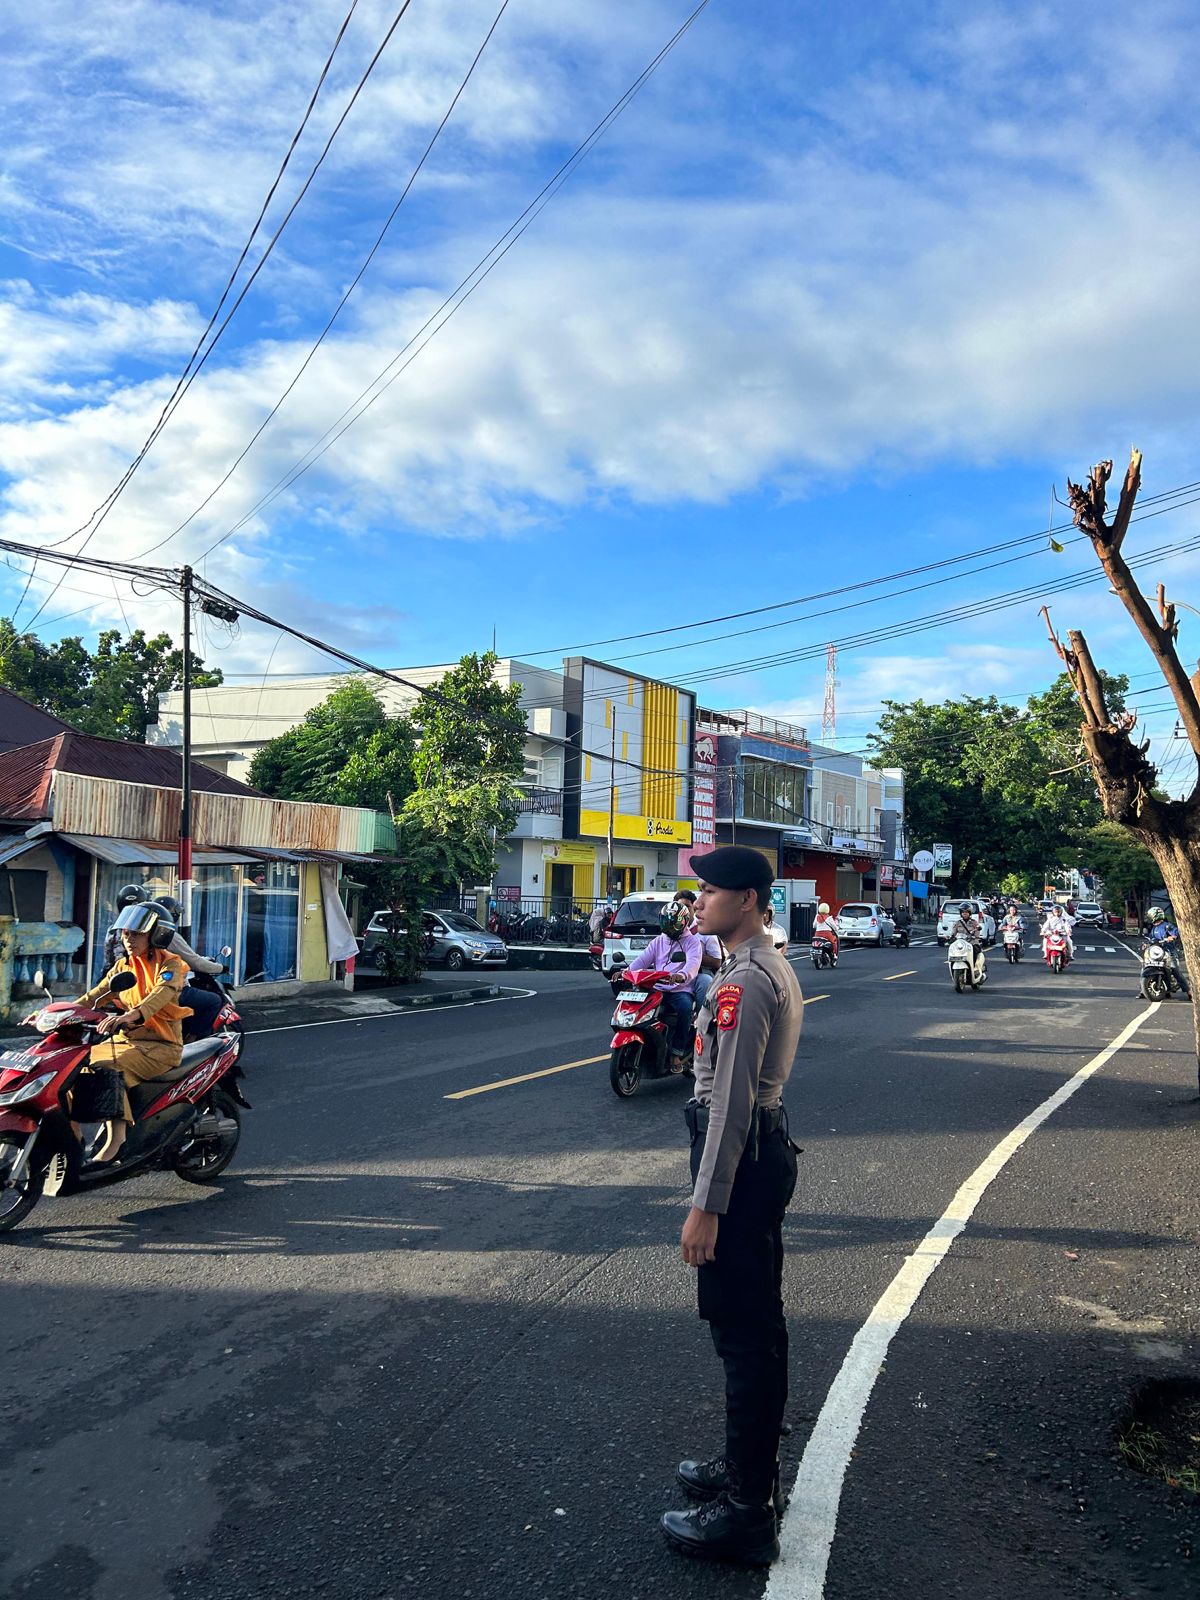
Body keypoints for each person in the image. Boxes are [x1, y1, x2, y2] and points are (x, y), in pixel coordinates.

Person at [660, 846, 803, 1568]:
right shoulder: (751, 966)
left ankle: (748, 1512)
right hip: (757, 1158)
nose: (698, 901)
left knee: (743, 1332)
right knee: (754, 1325)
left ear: (747, 899)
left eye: (710, 890)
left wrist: (705, 1204)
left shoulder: (745, 981)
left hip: (739, 1167)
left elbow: (732, 1105)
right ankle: (751, 1467)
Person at [75, 902, 192, 1163]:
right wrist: (55, 1013)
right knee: (74, 1066)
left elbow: (160, 995)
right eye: (126, 933)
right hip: (127, 1041)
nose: (128, 939)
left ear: (156, 935)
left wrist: (131, 1015)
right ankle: (74, 1140)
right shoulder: (122, 967)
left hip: (162, 1046)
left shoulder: (171, 965)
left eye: (136, 933)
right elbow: (93, 997)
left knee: (107, 1068)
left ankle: (117, 1140)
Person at [620, 902, 702, 1067]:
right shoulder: (658, 941)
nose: (669, 926)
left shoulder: (692, 942)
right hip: (657, 988)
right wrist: (625, 972)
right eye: (666, 921)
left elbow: (693, 964)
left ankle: (677, 1052)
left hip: (680, 989)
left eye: (673, 922)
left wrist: (680, 975)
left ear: (683, 922)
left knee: (685, 1009)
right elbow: (643, 960)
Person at [674, 890, 724, 1010]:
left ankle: (701, 1017)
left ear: (694, 908)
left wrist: (692, 957)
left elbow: (717, 961)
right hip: (675, 973)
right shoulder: (671, 928)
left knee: (705, 982)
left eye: (687, 907)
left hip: (699, 974)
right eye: (679, 907)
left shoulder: (705, 929)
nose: (683, 910)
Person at [1145, 907, 1191, 997]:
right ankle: (1143, 990)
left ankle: (1188, 991)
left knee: (1174, 970)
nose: (1150, 918)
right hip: (1157, 953)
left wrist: (1172, 937)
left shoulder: (1167, 925)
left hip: (1169, 952)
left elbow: (1176, 932)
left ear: (1156, 915)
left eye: (1151, 916)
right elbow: (1151, 939)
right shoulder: (1154, 928)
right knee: (1146, 966)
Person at [950, 901, 985, 983]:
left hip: (971, 943)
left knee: (976, 950)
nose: (964, 914)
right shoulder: (957, 923)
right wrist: (950, 937)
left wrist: (975, 935)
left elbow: (978, 929)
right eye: (963, 912)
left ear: (969, 913)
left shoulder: (973, 922)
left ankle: (975, 968)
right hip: (961, 944)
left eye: (966, 912)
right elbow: (953, 933)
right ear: (960, 913)